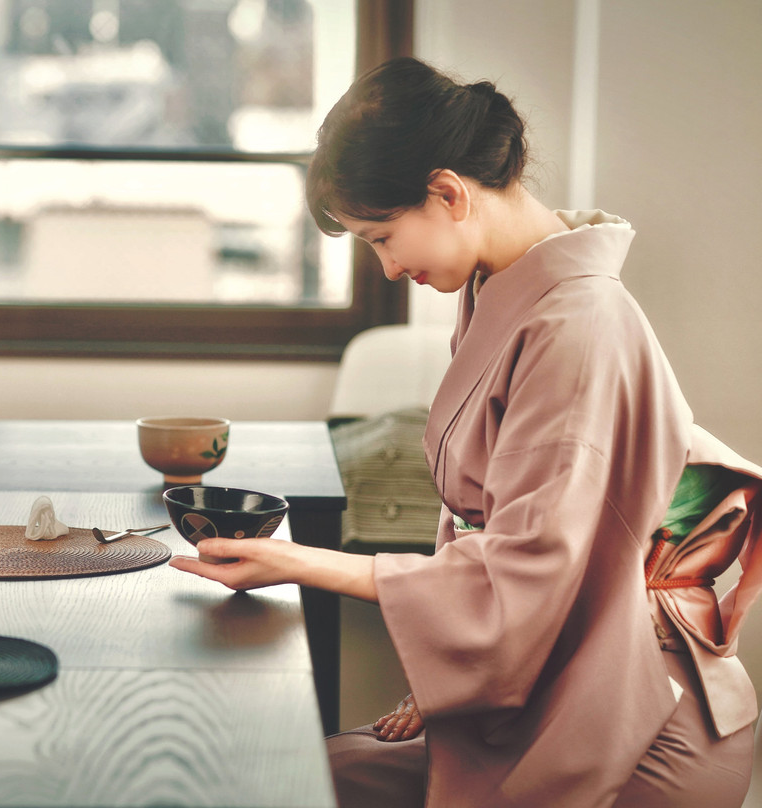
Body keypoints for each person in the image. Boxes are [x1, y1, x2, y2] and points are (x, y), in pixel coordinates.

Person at [169, 56, 762, 808]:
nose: (386, 268)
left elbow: (525, 572)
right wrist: (454, 677)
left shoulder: (580, 325)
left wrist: (299, 562)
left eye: (382, 237)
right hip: (548, 670)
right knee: (280, 775)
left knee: (288, 785)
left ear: (449, 193)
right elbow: (499, 535)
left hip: (638, 717)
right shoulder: (501, 288)